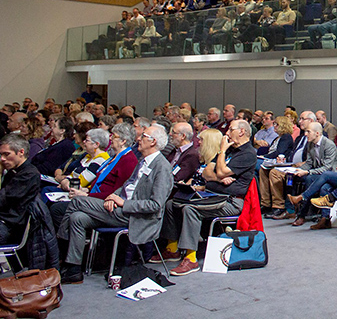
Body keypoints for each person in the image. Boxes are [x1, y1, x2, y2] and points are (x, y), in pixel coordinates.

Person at [58, 124, 172, 284]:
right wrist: (113, 196)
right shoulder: (142, 161)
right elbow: (127, 185)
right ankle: (73, 269)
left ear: (153, 142)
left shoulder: (162, 168)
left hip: (136, 217)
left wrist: (123, 203)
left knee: (77, 201)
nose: (138, 139)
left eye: (143, 136)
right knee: (77, 218)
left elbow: (155, 205)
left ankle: (57, 251)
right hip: (120, 209)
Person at [158, 119, 256, 276]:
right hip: (211, 195)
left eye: (230, 130)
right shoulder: (232, 149)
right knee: (172, 203)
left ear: (242, 132)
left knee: (190, 209)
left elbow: (222, 171)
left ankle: (191, 259)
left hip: (230, 200)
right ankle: (172, 248)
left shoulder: (248, 153)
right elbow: (206, 172)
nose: (227, 133)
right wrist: (218, 177)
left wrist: (222, 153)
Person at [286, 122, 337, 227]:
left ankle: (305, 213)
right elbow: (309, 163)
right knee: (291, 176)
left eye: (308, 131)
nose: (305, 134)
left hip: (330, 175)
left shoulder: (329, 145)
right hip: (318, 174)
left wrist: (307, 172)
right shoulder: (310, 143)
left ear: (317, 133)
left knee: (315, 181)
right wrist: (298, 170)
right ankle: (291, 209)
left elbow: (327, 168)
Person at [0, 134, 41, 244]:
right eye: (1, 154)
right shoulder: (14, 171)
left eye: (7, 154)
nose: (2, 159)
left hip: (8, 226)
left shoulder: (29, 174)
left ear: (21, 152)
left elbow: (3, 199)